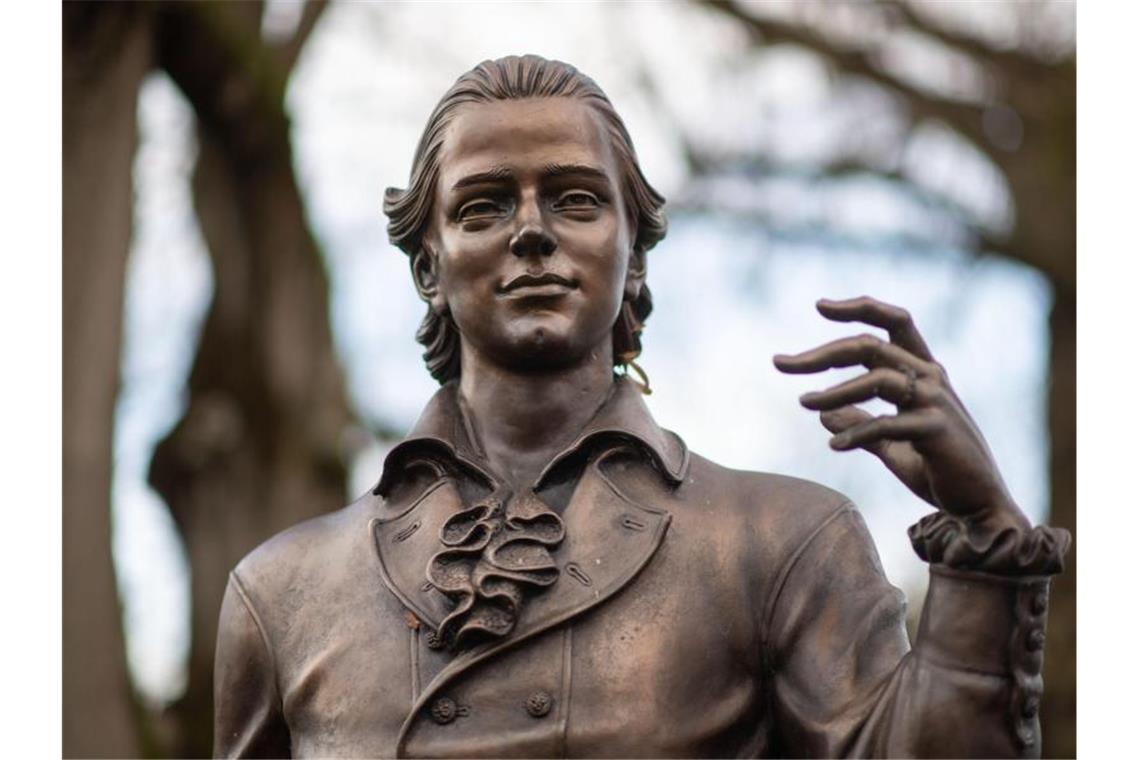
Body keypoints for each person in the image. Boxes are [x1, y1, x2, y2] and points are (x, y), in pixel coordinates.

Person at [213, 55, 1070, 758]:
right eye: (483, 206)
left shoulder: (774, 543)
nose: (531, 231)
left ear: (636, 255)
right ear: (429, 267)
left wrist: (984, 537)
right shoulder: (285, 592)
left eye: (576, 198)